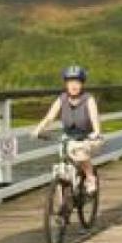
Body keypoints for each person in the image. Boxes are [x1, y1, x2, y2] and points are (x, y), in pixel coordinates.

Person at [32, 65, 102, 193]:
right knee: (63, 157)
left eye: (77, 82)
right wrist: (39, 128)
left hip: (87, 135)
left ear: (82, 84)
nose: (73, 86)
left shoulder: (88, 99)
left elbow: (94, 117)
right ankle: (65, 191)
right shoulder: (62, 98)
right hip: (69, 135)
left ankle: (90, 177)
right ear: (66, 84)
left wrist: (96, 132)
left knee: (81, 155)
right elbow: (50, 117)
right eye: (70, 82)